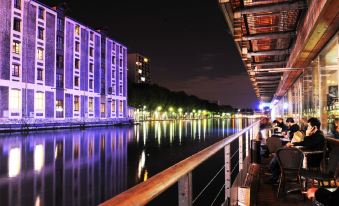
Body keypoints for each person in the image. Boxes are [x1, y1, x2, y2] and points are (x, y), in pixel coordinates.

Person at [266, 118, 325, 183]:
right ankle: (275, 176)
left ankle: (275, 176)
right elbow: (305, 142)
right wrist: (293, 144)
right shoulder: (315, 135)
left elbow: (307, 143)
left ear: (314, 127)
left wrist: (295, 143)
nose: (307, 128)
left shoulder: (319, 136)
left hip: (310, 160)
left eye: (309, 126)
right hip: (305, 157)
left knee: (280, 156)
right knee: (280, 155)